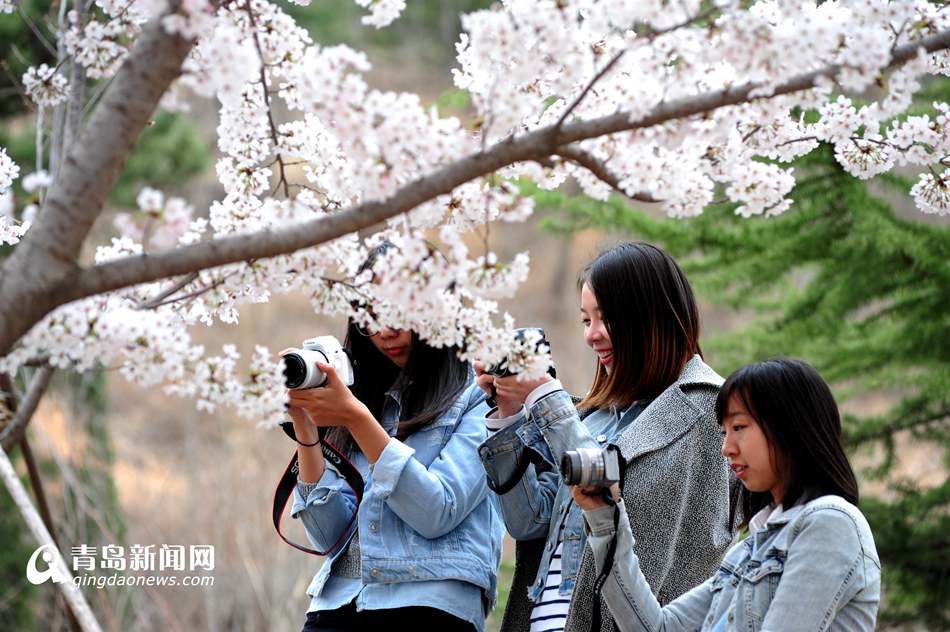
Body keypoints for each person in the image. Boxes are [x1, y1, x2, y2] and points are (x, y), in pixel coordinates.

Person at [477, 242, 736, 632]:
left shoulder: (706, 408)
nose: (592, 335)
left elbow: (613, 498)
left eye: (606, 318)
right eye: (585, 320)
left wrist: (548, 400)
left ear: (654, 315)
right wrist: (510, 415)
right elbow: (529, 523)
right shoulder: (594, 419)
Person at [572, 357, 881, 632]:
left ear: (789, 427)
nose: (726, 448)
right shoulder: (747, 552)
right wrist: (604, 519)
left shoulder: (830, 523)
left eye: (740, 427)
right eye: (724, 432)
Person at [285, 313, 503, 632]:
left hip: (429, 605)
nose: (387, 332)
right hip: (335, 605)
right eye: (371, 318)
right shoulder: (360, 396)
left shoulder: (480, 390)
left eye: (400, 314)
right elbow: (327, 538)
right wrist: (305, 426)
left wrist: (359, 421)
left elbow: (437, 510)